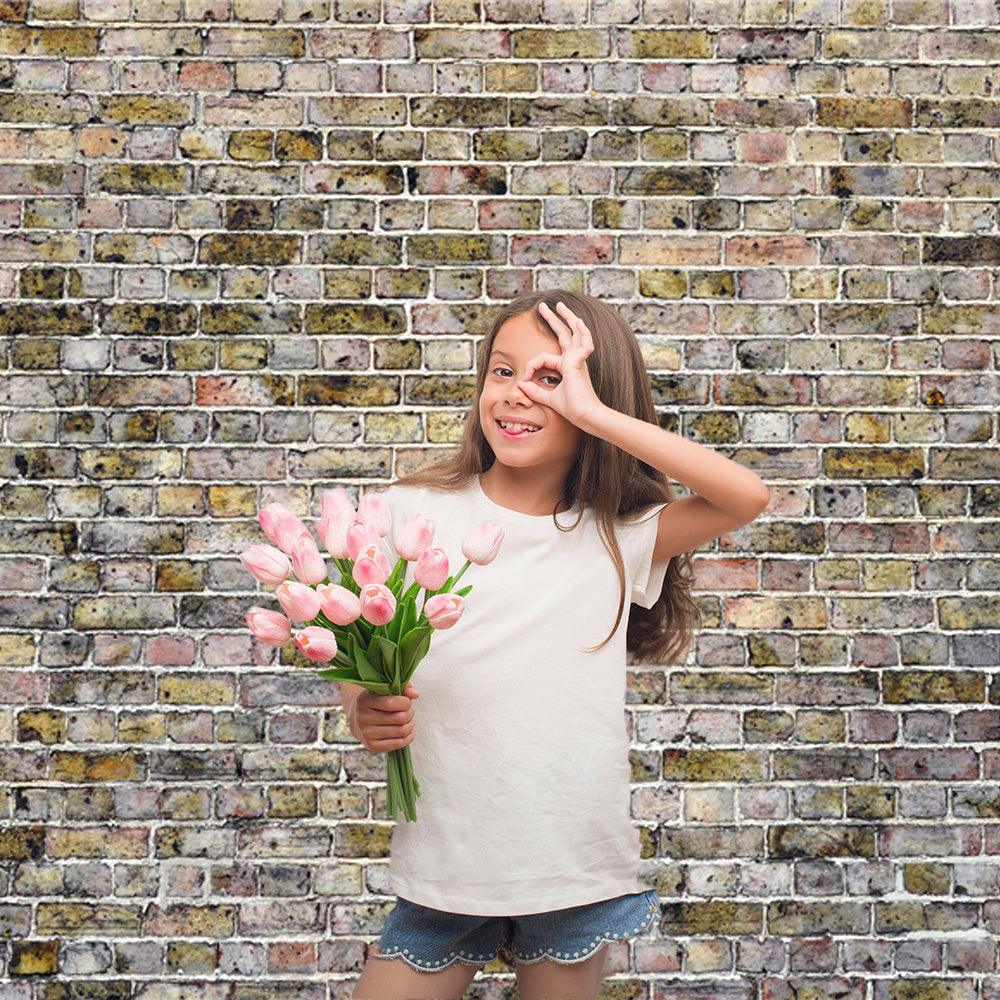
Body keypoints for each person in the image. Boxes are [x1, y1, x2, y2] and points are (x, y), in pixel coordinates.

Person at [344, 290, 771, 1000]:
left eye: (550, 378)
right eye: (502, 371)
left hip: (568, 863)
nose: (517, 394)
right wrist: (361, 703)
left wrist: (594, 414)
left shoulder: (618, 534)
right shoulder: (407, 511)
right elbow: (351, 637)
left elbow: (744, 497)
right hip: (448, 860)